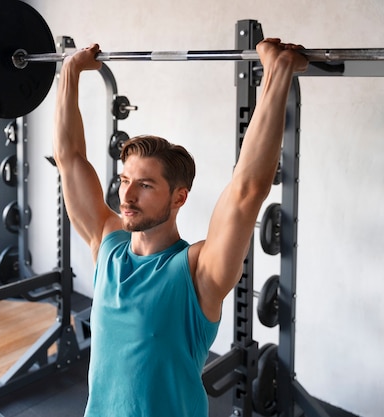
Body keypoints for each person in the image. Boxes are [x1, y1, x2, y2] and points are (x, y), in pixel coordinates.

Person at [53, 39, 308, 417]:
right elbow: (69, 158)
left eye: (145, 185)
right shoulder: (107, 246)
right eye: (125, 181)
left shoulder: (197, 272)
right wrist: (70, 71)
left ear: (179, 198)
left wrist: (277, 71)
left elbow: (246, 191)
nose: (127, 196)